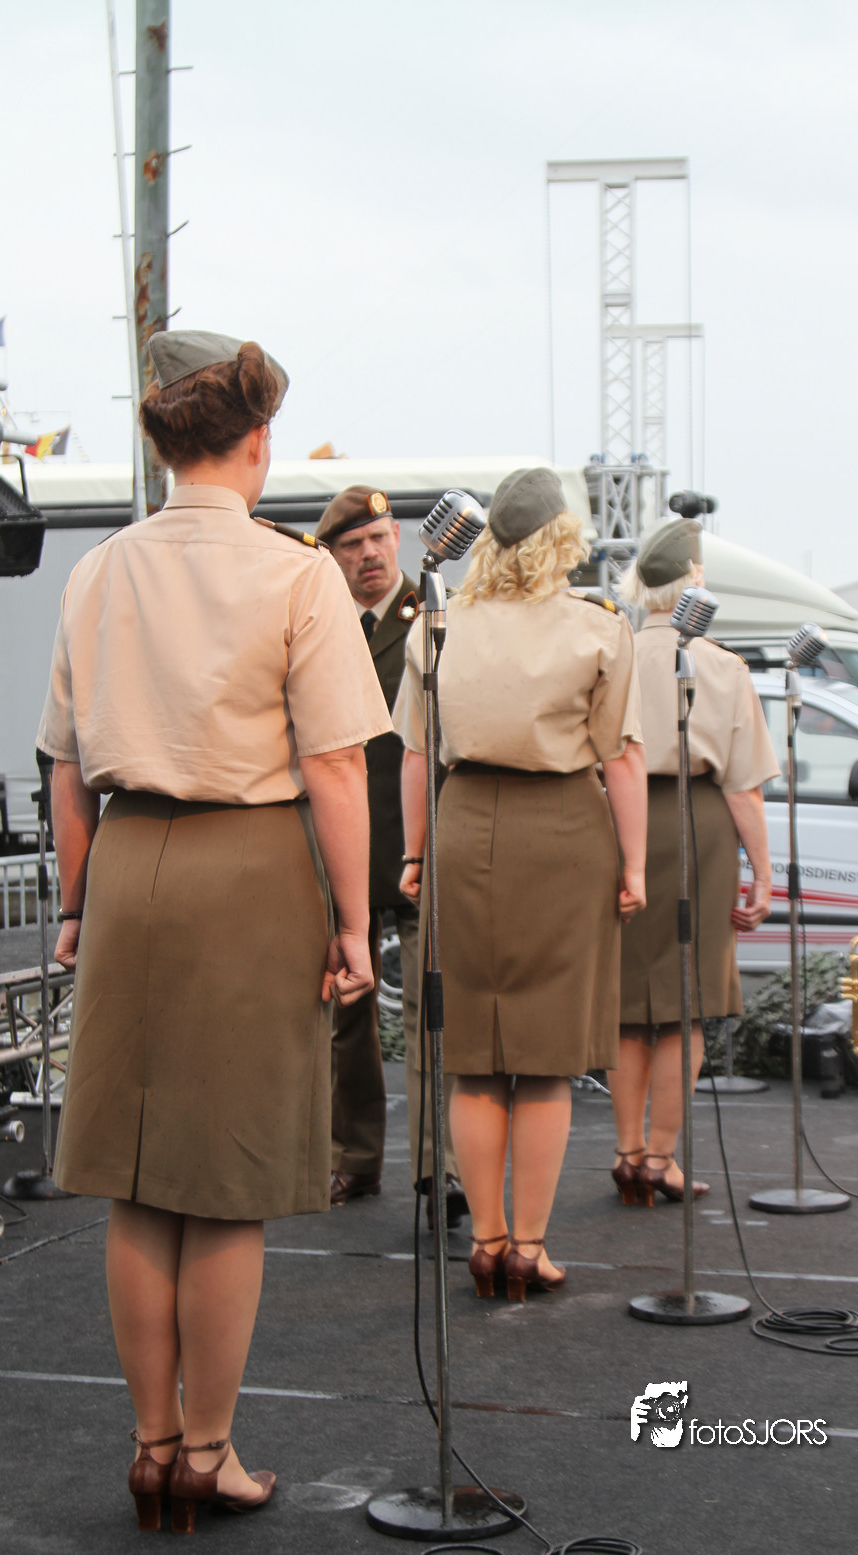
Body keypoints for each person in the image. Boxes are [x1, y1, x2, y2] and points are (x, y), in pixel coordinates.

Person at [37, 331, 391, 1533]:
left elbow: (65, 764)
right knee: (225, 1185)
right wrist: (354, 925)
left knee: (139, 1184)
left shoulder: (97, 573)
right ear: (256, 439)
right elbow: (333, 766)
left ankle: (149, 1449)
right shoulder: (295, 575)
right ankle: (207, 1452)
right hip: (249, 873)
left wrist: (75, 904)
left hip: (128, 862)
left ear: (159, 441)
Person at [394, 468, 647, 1300]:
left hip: (464, 824)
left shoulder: (438, 625)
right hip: (564, 831)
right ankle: (528, 1247)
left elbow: (415, 754)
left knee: (472, 1059)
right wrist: (634, 864)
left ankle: (486, 1239)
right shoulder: (597, 627)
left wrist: (413, 855)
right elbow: (621, 758)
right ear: (560, 540)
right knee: (541, 1062)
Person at [607, 519, 778, 1206]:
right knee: (688, 1006)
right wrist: (762, 873)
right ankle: (660, 1158)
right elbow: (742, 787)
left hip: (619, 822)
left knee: (626, 1006)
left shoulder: (611, 651)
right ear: (695, 580)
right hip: (697, 825)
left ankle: (626, 1153)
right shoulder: (721, 665)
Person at [315, 487, 466, 1225]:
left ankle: (439, 1170)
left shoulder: (434, 615)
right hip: (342, 845)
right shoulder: (319, 623)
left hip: (415, 842)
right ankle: (354, 1157)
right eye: (351, 545)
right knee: (346, 1014)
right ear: (333, 557)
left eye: (377, 538)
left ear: (398, 536)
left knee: (429, 1011)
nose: (368, 555)